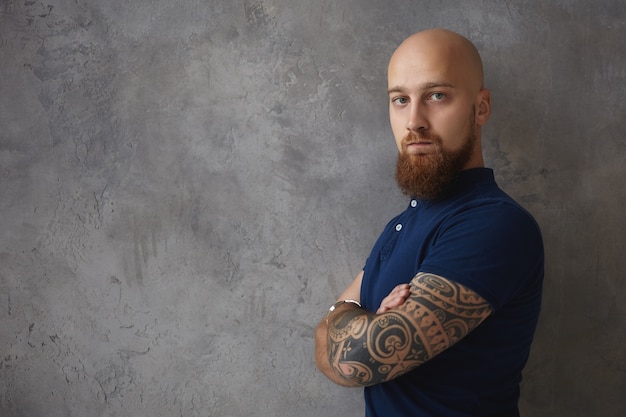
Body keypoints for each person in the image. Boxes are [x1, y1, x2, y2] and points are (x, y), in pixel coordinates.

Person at [314, 28, 544, 417]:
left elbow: (353, 359)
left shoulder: (494, 225)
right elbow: (344, 342)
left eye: (437, 96)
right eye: (400, 100)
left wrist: (341, 317)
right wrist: (355, 319)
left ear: (481, 108)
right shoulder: (403, 223)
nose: (414, 121)